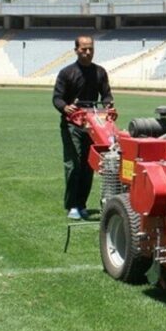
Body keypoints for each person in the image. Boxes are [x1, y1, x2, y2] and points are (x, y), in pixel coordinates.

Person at [52, 35, 114, 220]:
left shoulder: (100, 72)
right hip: (72, 124)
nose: (88, 52)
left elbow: (106, 95)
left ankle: (82, 204)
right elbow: (57, 98)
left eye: (91, 49)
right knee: (74, 165)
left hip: (93, 125)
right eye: (84, 49)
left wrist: (109, 105)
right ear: (76, 50)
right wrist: (65, 107)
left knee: (89, 165)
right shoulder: (66, 73)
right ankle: (72, 205)